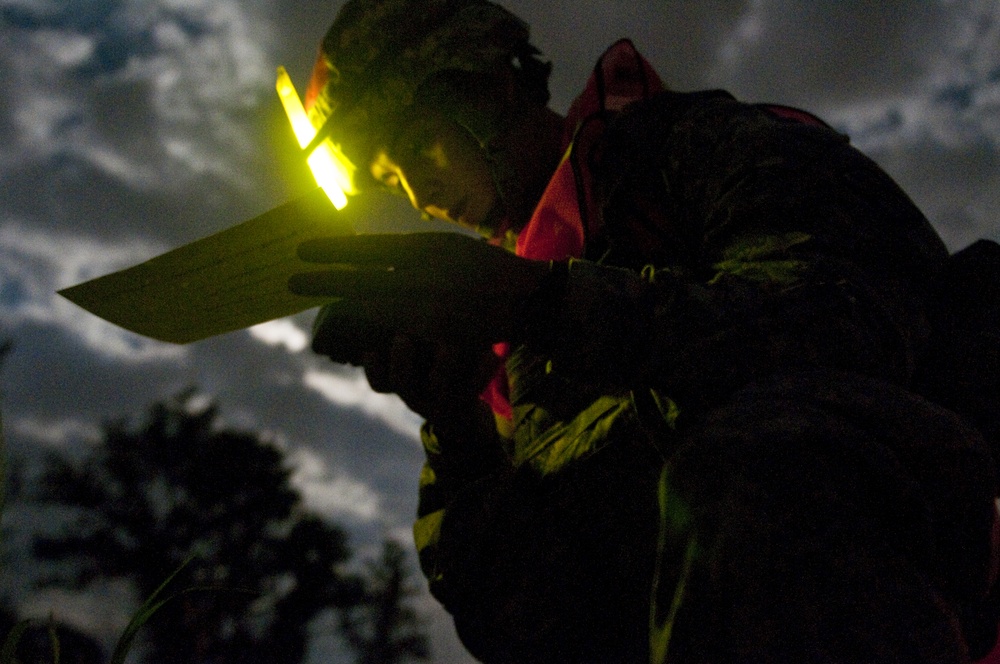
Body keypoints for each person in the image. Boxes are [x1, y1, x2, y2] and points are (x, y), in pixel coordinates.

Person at [286, 1, 1000, 661]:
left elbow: (846, 323)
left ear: (483, 89)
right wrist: (460, 434)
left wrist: (546, 304)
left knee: (751, 464)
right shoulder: (498, 346)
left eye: (416, 148)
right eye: (388, 182)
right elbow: (535, 627)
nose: (418, 195)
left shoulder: (693, 151)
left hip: (886, 560)